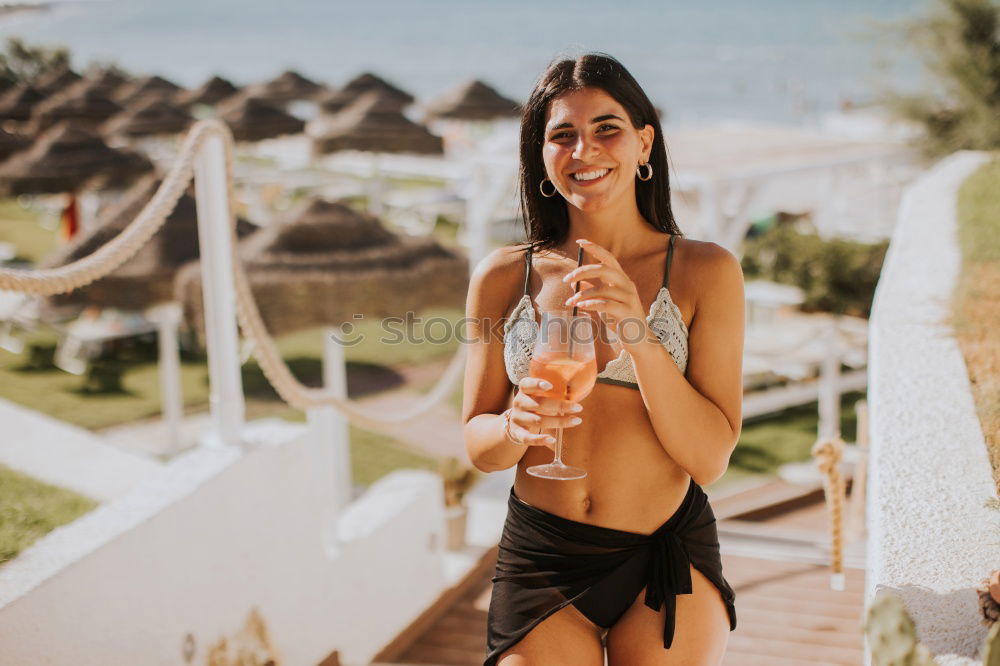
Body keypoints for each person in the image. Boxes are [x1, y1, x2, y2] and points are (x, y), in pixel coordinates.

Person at [462, 53, 745, 666]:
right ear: (541, 158)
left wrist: (638, 334)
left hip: (663, 558)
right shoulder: (504, 277)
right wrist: (514, 426)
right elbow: (478, 446)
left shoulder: (706, 271)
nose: (584, 150)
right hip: (542, 559)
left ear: (644, 143)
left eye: (606, 129)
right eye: (562, 135)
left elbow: (710, 457)